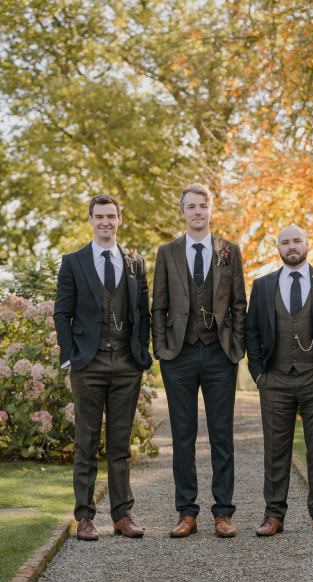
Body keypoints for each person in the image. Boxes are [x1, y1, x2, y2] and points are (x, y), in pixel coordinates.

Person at [54, 194, 152, 541]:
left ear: (119, 219)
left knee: (121, 445)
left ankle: (122, 516)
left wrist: (142, 353)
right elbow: (61, 313)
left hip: (126, 364)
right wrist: (69, 355)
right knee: (86, 442)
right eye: (100, 216)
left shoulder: (135, 261)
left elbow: (143, 312)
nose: (106, 222)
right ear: (91, 219)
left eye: (111, 216)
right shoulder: (74, 261)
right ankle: (84, 518)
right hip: (87, 364)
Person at [152, 183, 246, 538]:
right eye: (190, 206)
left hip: (220, 353)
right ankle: (186, 512)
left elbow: (239, 303)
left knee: (222, 435)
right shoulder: (167, 252)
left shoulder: (228, 250)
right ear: (183, 211)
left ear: (210, 210)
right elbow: (158, 306)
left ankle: (223, 513)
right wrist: (161, 348)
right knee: (183, 436)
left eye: (202, 205)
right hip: (178, 354)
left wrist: (236, 347)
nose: (197, 211)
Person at [246, 224, 313, 536]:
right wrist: (258, 373)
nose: (291, 247)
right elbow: (251, 331)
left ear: (307, 243)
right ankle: (274, 516)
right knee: (275, 449)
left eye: (296, 241)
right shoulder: (263, 284)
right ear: (278, 248)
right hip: (275, 379)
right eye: (285, 242)